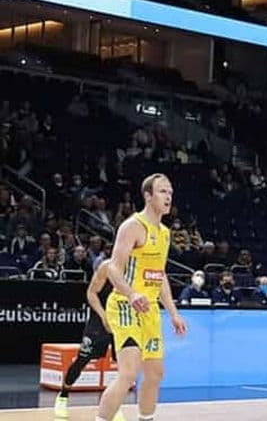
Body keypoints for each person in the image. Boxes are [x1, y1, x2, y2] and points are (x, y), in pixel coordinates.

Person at [96, 174, 187, 421]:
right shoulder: (132, 226)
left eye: (170, 192)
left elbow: (160, 275)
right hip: (125, 305)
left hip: (150, 310)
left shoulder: (165, 233)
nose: (168, 197)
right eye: (162, 191)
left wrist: (174, 313)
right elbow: (113, 269)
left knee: (155, 373)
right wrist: (132, 293)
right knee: (128, 374)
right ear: (148, 196)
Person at [54, 260, 124, 421]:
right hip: (100, 318)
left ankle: (114, 406)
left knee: (124, 366)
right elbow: (91, 293)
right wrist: (104, 316)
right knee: (82, 359)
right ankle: (63, 396)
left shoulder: (136, 267)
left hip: (122, 319)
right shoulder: (107, 266)